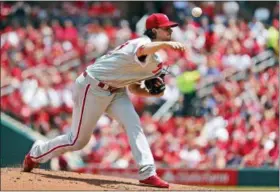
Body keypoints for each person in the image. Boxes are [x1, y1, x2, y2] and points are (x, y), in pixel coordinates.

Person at [23, 13, 185, 188]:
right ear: (154, 30)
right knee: (77, 141)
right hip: (92, 86)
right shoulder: (140, 43)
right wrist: (166, 44)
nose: (170, 30)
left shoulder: (156, 61)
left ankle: (148, 173)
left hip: (117, 91)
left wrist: (153, 94)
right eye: (166, 28)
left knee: (133, 124)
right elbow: (143, 51)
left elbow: (133, 88)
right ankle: (36, 153)